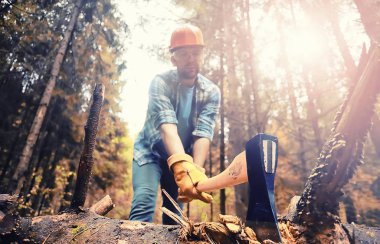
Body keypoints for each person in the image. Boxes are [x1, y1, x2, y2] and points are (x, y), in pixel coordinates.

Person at [129, 24, 221, 225]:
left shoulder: (212, 91)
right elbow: (166, 126)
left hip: (182, 159)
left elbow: (203, 134)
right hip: (150, 153)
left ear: (202, 55)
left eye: (196, 53)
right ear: (173, 58)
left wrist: (194, 172)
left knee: (174, 216)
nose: (191, 58)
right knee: (144, 202)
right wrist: (182, 166)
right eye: (184, 53)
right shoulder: (160, 82)